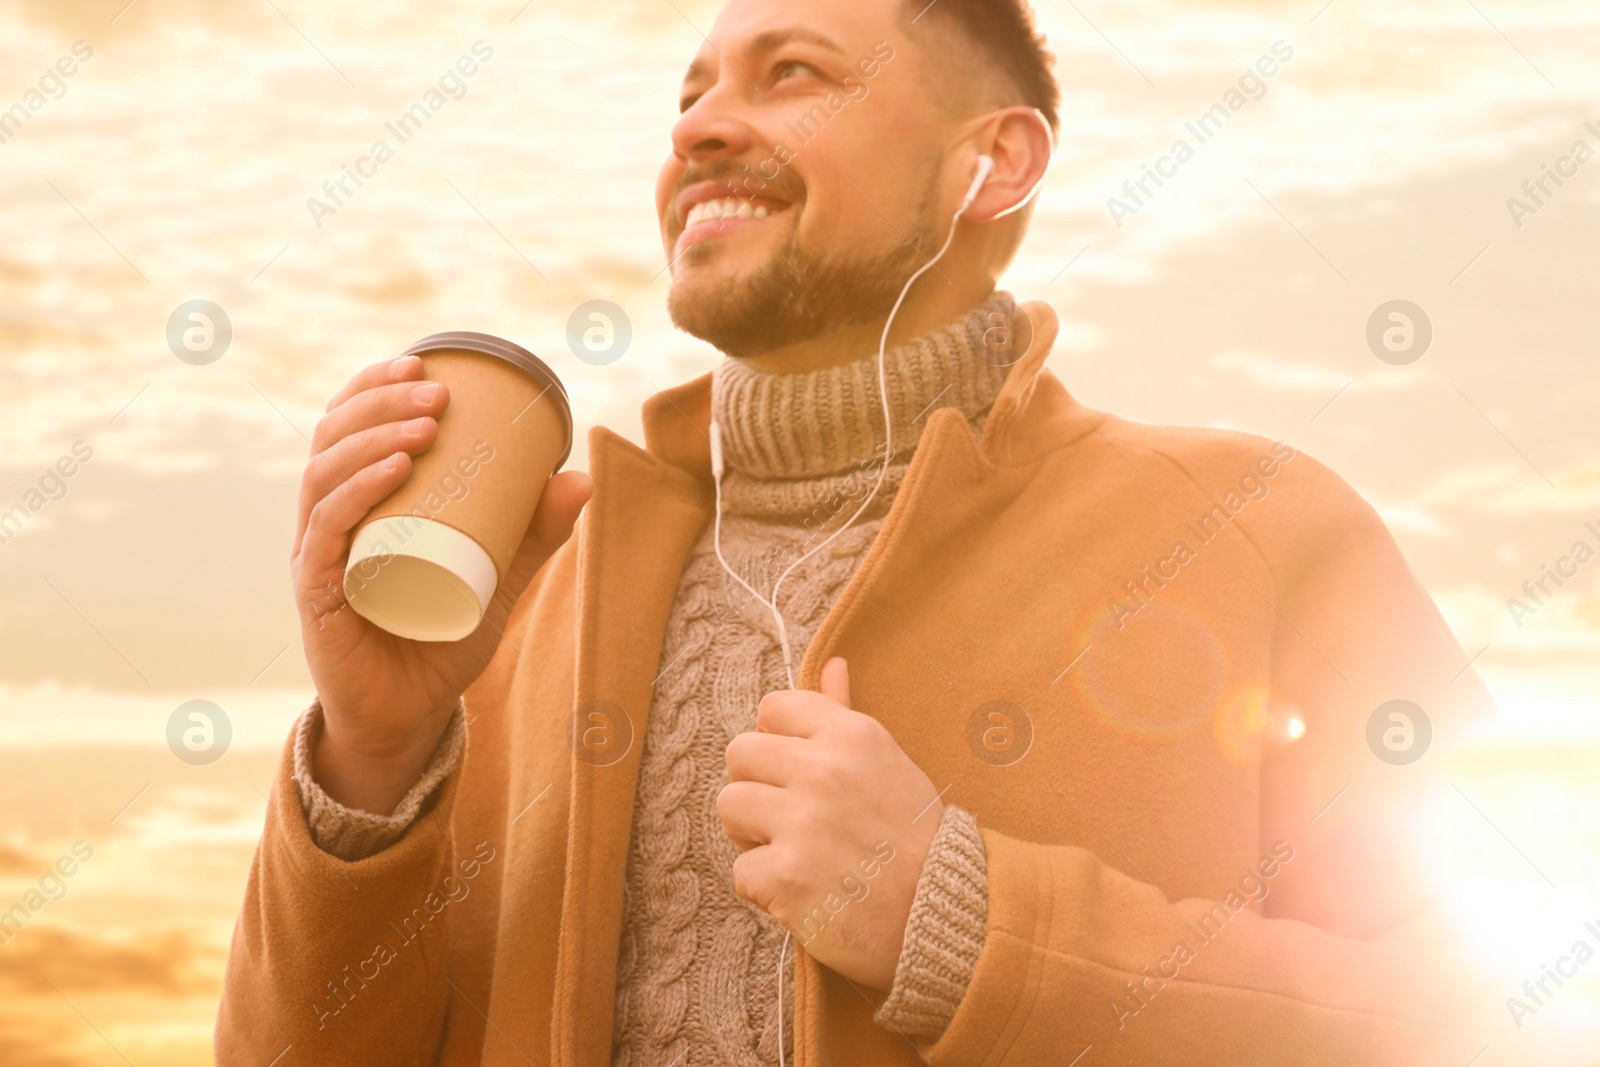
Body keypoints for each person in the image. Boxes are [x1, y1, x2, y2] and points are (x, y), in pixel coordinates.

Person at [217, 0, 1492, 1063]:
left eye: (793, 76)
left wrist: (960, 920)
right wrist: (371, 760)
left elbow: (1462, 1027)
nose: (701, 129)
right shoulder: (521, 594)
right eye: (689, 96)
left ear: (993, 163)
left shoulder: (1260, 529)